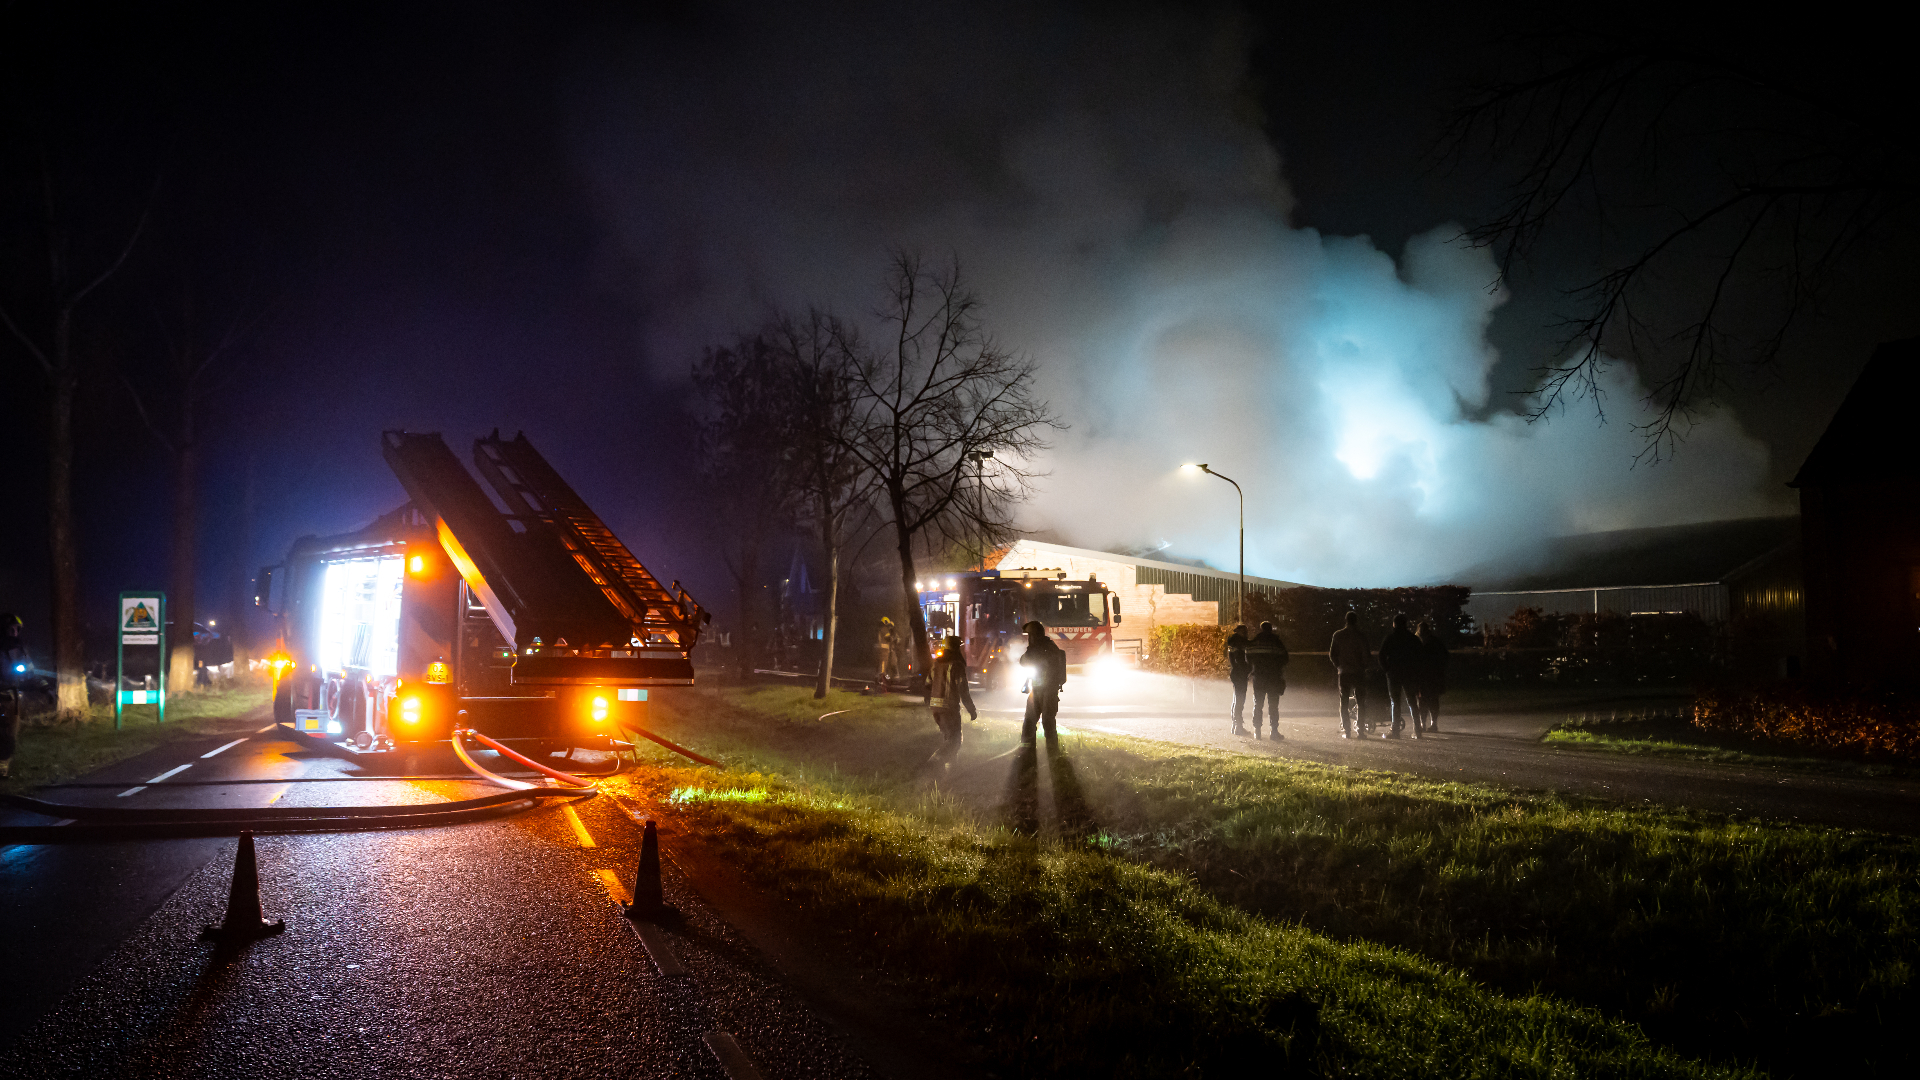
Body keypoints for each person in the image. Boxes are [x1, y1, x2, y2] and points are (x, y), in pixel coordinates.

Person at [1018, 620, 1066, 747]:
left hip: (1049, 690)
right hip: (1037, 689)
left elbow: (1049, 665)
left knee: (1047, 721)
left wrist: (1033, 651)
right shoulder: (1035, 648)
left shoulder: (1049, 648)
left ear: (1036, 635)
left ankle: (1052, 750)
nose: (1029, 639)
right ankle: (1027, 748)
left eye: (1030, 636)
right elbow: (1023, 661)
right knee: (1029, 719)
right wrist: (1031, 650)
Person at [1377, 613, 1422, 740]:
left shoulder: (1390, 638)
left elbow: (1381, 656)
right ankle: (1418, 730)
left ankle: (1395, 730)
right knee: (1412, 701)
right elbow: (1420, 657)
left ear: (1394, 624)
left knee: (1395, 702)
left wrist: (1387, 669)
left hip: (1394, 673)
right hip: (1409, 673)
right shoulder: (1413, 639)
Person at [928, 636, 978, 749]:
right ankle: (933, 763)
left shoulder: (936, 664)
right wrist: (972, 710)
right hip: (949, 709)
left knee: (947, 739)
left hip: (935, 709)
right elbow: (963, 691)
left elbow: (928, 683)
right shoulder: (957, 665)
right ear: (955, 648)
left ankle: (947, 766)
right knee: (954, 742)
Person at [1328, 611, 1372, 739]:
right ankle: (1361, 730)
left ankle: (1347, 731)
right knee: (1360, 702)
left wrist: (1339, 666)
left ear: (1346, 620)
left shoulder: (1338, 635)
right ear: (1356, 621)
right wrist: (1363, 666)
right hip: (1358, 672)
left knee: (1344, 700)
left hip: (1344, 672)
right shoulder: (1361, 636)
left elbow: (1332, 654)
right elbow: (1366, 654)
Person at [1245, 621, 1290, 740]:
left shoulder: (1255, 642)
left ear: (1261, 629)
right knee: (1273, 705)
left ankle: (1257, 731)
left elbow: (1248, 657)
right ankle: (1274, 731)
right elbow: (1285, 658)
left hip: (1259, 677)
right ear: (1270, 629)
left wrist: (1255, 667)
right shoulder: (1276, 642)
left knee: (1258, 704)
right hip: (1273, 677)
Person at [1, 613, 29, 779]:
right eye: (10, 629)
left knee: (11, 732)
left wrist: (44, 688)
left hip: (12, 694)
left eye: (16, 629)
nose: (14, 632)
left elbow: (28, 669)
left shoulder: (19, 647)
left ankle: (3, 768)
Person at [1415, 619, 1449, 733]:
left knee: (1422, 700)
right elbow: (1445, 657)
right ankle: (1433, 724)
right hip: (1434, 676)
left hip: (1421, 676)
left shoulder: (1417, 642)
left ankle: (1422, 723)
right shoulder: (1435, 642)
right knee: (1433, 700)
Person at [1224, 624, 1252, 735]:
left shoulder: (1233, 642)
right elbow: (1243, 660)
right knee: (1240, 700)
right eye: (1245, 632)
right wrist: (1248, 669)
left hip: (1236, 673)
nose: (1246, 634)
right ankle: (1238, 727)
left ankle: (1235, 725)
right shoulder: (1240, 644)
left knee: (1237, 699)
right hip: (1240, 674)